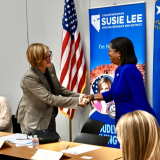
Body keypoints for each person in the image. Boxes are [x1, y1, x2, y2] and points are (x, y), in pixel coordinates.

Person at [15, 43, 87, 134]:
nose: (50, 58)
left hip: (50, 115)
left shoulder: (50, 68)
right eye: (46, 57)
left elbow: (58, 88)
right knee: (37, 147)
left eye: (49, 54)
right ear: (37, 60)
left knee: (51, 145)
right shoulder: (29, 77)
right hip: (34, 121)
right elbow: (49, 98)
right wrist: (77, 101)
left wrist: (79, 96)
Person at [85, 37, 156, 123]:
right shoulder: (119, 70)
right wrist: (91, 97)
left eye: (110, 50)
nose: (108, 53)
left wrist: (139, 127)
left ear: (119, 52)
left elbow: (140, 102)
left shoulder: (129, 70)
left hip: (134, 124)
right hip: (123, 123)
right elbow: (112, 93)